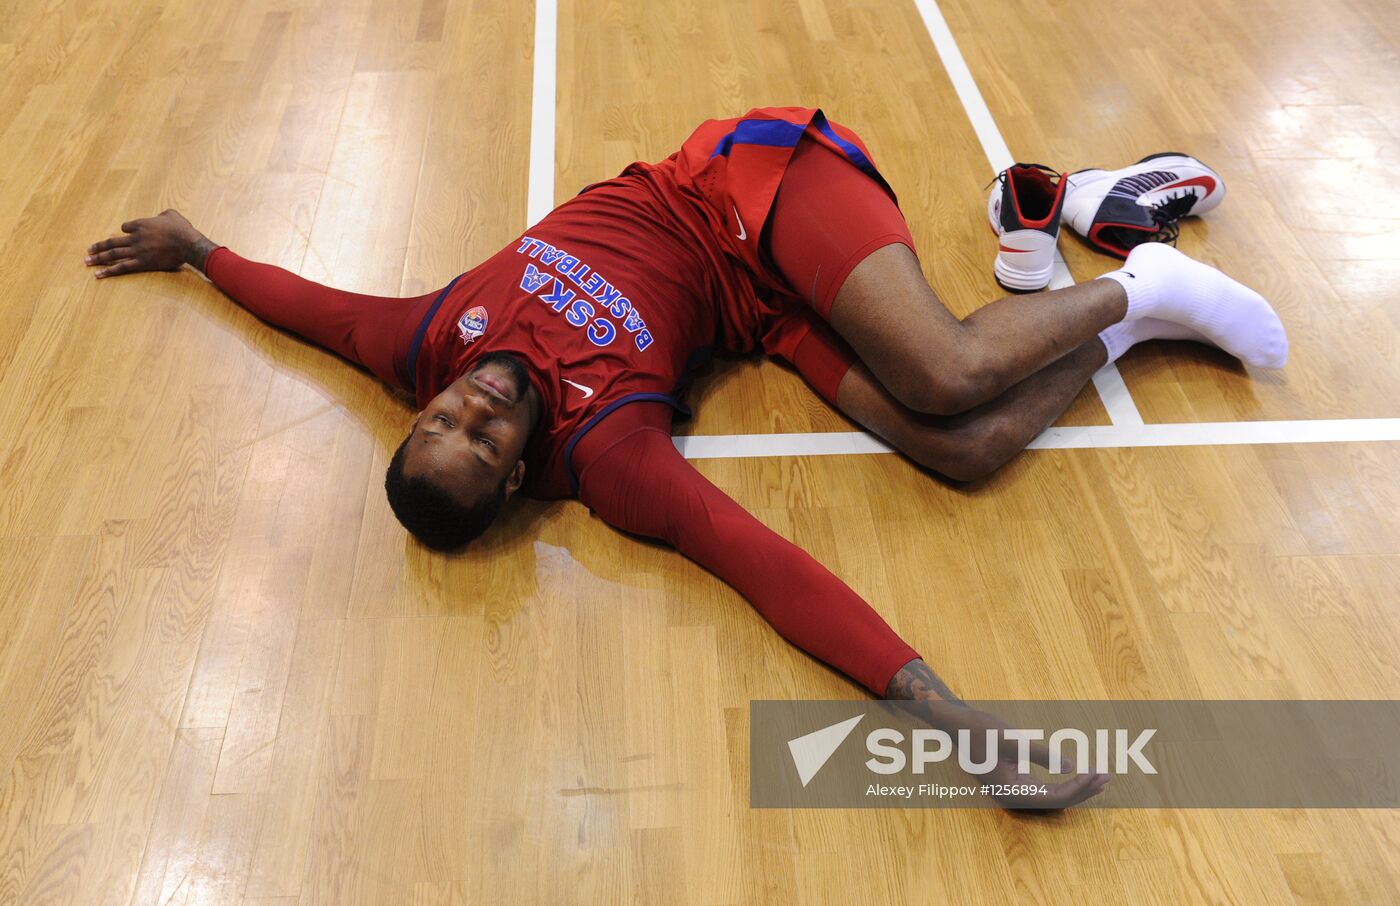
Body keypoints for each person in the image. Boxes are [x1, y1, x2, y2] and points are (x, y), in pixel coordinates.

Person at [85, 107, 1285, 808]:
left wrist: (200, 248)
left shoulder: (425, 338)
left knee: (947, 372)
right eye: (483, 439)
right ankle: (1117, 290)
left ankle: (1142, 274)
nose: (471, 408)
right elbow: (757, 564)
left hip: (743, 182)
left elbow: (303, 303)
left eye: (441, 418)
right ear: (514, 478)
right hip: (757, 306)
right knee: (963, 448)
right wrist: (953, 725)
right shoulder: (606, 457)